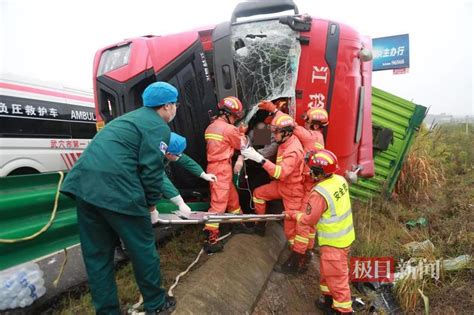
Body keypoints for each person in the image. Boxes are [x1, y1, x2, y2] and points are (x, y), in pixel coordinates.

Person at [60, 81, 178, 314]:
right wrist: (152, 206)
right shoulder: (158, 126)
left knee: (97, 256)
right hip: (118, 190)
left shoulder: (125, 120)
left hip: (84, 188)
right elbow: (152, 171)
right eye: (175, 105)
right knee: (142, 249)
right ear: (166, 106)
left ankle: (107, 311)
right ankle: (156, 304)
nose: (175, 110)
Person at [286, 149, 355, 314]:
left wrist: (292, 215)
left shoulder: (320, 193)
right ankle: (328, 302)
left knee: (338, 282)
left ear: (319, 173)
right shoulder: (339, 180)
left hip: (334, 244)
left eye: (312, 169)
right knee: (327, 273)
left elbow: (309, 219)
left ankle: (343, 310)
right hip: (344, 238)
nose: (310, 172)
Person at [259, 101, 328, 261]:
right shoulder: (318, 138)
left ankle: (298, 257)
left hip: (305, 187)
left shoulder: (310, 137)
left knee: (301, 224)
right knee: (306, 225)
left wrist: (275, 111)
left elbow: (292, 126)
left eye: (308, 122)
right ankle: (307, 251)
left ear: (316, 125)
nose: (305, 123)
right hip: (308, 185)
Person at [241, 112, 305, 245]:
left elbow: (280, 173)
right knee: (258, 194)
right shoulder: (285, 140)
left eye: (276, 132)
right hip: (283, 185)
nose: (274, 135)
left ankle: (298, 257)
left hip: (293, 191)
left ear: (286, 133)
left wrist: (259, 158)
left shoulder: (293, 151)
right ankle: (260, 226)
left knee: (290, 230)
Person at [203, 96, 254, 254]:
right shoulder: (229, 129)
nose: (236, 119)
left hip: (215, 167)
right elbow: (243, 145)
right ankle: (211, 239)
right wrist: (243, 133)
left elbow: (225, 140)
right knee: (218, 205)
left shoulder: (212, 127)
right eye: (235, 116)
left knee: (233, 199)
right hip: (222, 168)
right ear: (229, 114)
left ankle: (238, 224)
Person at [162, 132, 217, 217]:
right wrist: (180, 203)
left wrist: (203, 174)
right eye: (178, 154)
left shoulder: (167, 147)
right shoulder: (152, 157)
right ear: (168, 153)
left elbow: (185, 160)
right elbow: (160, 178)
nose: (180, 156)